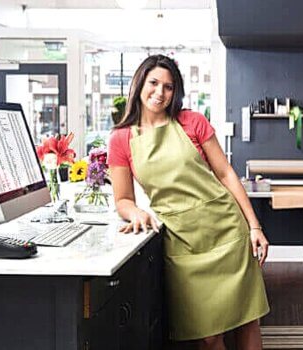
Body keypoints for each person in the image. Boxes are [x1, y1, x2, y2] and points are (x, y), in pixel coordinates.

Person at [107, 54, 270, 349]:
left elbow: (226, 173)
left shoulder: (192, 121)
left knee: (247, 319)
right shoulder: (120, 139)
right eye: (154, 83)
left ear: (175, 92)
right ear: (139, 83)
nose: (160, 92)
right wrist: (135, 213)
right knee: (207, 337)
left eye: (168, 87)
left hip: (227, 230)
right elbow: (123, 198)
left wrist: (254, 227)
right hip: (182, 242)